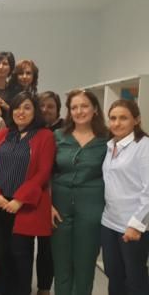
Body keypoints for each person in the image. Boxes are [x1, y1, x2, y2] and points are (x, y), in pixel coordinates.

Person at [0, 91, 55, 295]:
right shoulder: (3, 134)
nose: (20, 112)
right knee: (0, 253)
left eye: (27, 107)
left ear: (35, 112)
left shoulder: (45, 136)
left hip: (24, 206)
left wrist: (19, 199)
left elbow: (43, 172)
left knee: (20, 256)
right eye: (17, 107)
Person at [50, 90, 108, 295]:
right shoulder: (58, 137)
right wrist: (48, 204)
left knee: (85, 263)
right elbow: (45, 172)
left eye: (84, 106)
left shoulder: (107, 139)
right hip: (59, 207)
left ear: (95, 109)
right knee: (62, 263)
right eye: (74, 107)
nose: (79, 111)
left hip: (92, 206)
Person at [101, 99, 149, 295]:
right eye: (113, 118)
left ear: (136, 120)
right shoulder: (111, 144)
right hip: (109, 222)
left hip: (133, 225)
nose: (116, 123)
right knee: (113, 274)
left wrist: (136, 225)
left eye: (123, 118)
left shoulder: (144, 146)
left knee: (135, 277)